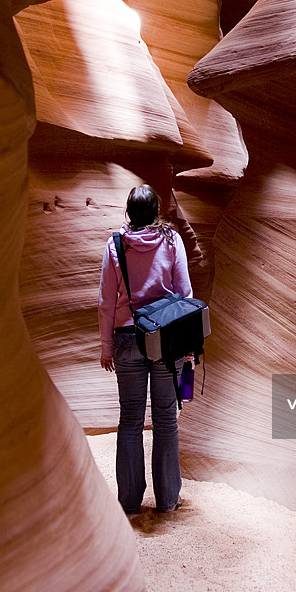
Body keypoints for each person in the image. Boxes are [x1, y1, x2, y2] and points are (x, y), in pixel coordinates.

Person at [98, 184, 192, 514]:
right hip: (167, 340)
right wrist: (188, 344)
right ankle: (168, 500)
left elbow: (106, 301)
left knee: (130, 420)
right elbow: (184, 292)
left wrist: (106, 347)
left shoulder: (116, 245)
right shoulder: (171, 240)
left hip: (127, 339)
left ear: (128, 213)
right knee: (166, 420)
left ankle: (129, 503)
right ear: (156, 211)